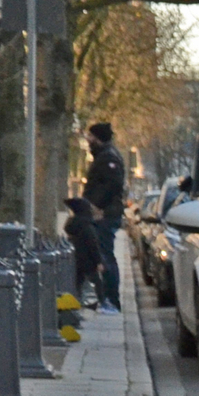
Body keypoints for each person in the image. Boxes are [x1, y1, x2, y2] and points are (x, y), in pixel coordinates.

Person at [82, 121, 125, 313]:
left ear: (98, 138)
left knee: (105, 257)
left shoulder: (108, 158)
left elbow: (112, 185)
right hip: (103, 214)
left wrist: (96, 206)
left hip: (105, 215)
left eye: (90, 137)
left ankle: (111, 301)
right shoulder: (104, 156)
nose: (88, 140)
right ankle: (102, 297)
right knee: (99, 256)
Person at [63, 195, 101, 302]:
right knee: (96, 282)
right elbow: (93, 244)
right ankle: (102, 302)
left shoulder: (73, 224)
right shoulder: (88, 225)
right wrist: (98, 261)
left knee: (78, 281)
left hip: (77, 257)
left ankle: (78, 299)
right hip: (88, 260)